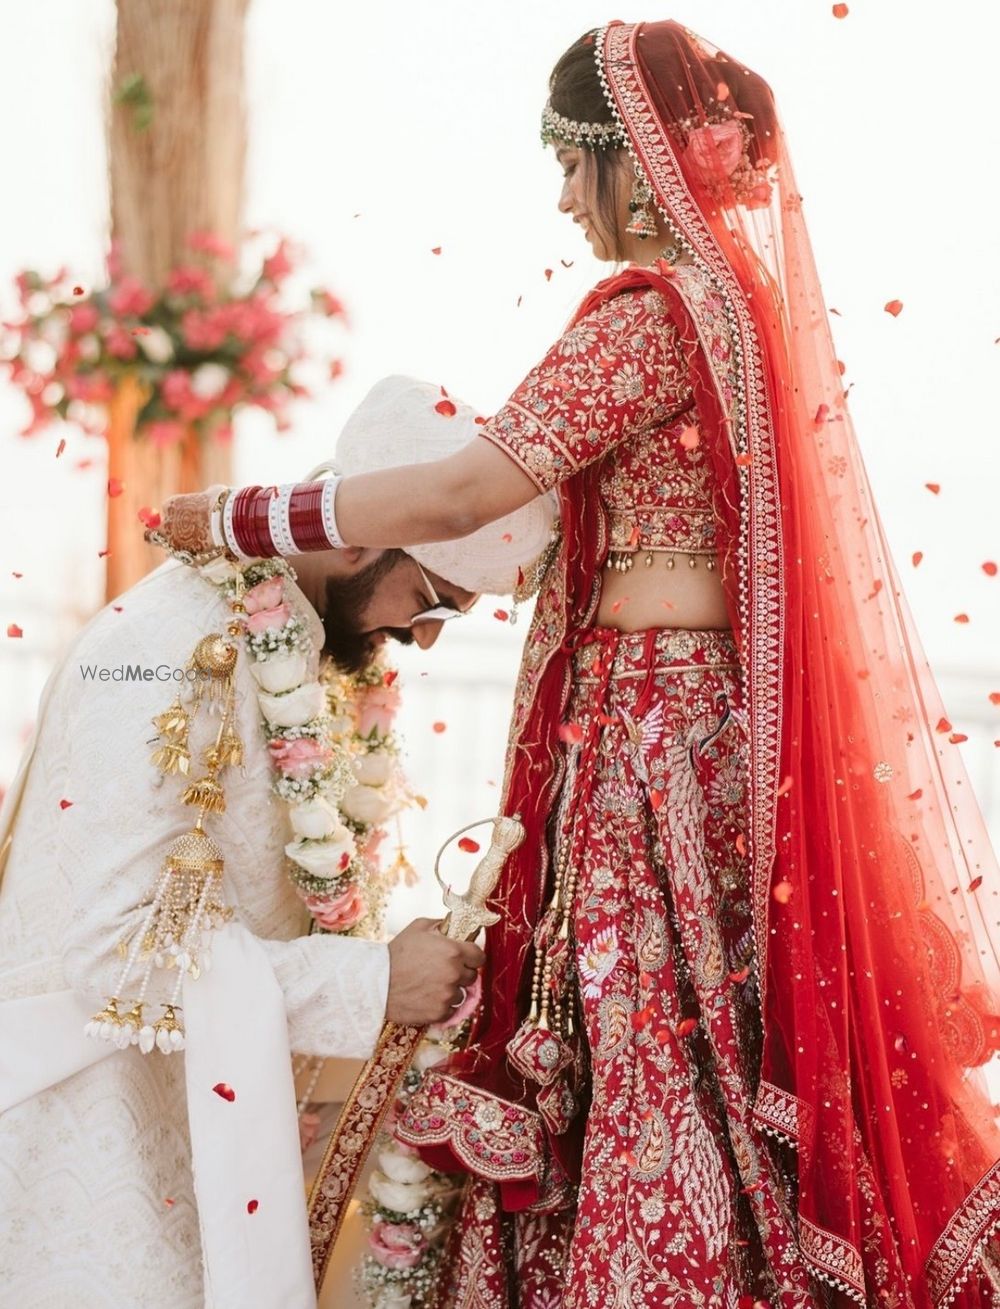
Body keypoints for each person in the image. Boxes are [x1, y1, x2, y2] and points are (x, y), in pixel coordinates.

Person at [155, 21, 1000, 1308]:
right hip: (696, 725)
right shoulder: (737, 302)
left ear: (636, 156)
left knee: (644, 1036)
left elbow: (457, 493)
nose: (561, 196)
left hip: (646, 733)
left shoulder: (648, 311)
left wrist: (243, 517)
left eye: (572, 161)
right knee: (703, 1042)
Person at [0, 372, 566, 1308]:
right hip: (88, 1155)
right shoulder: (176, 646)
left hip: (189, 1128)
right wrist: (375, 983)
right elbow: (114, 955)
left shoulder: (297, 645)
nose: (423, 642)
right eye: (434, 601)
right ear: (353, 538)